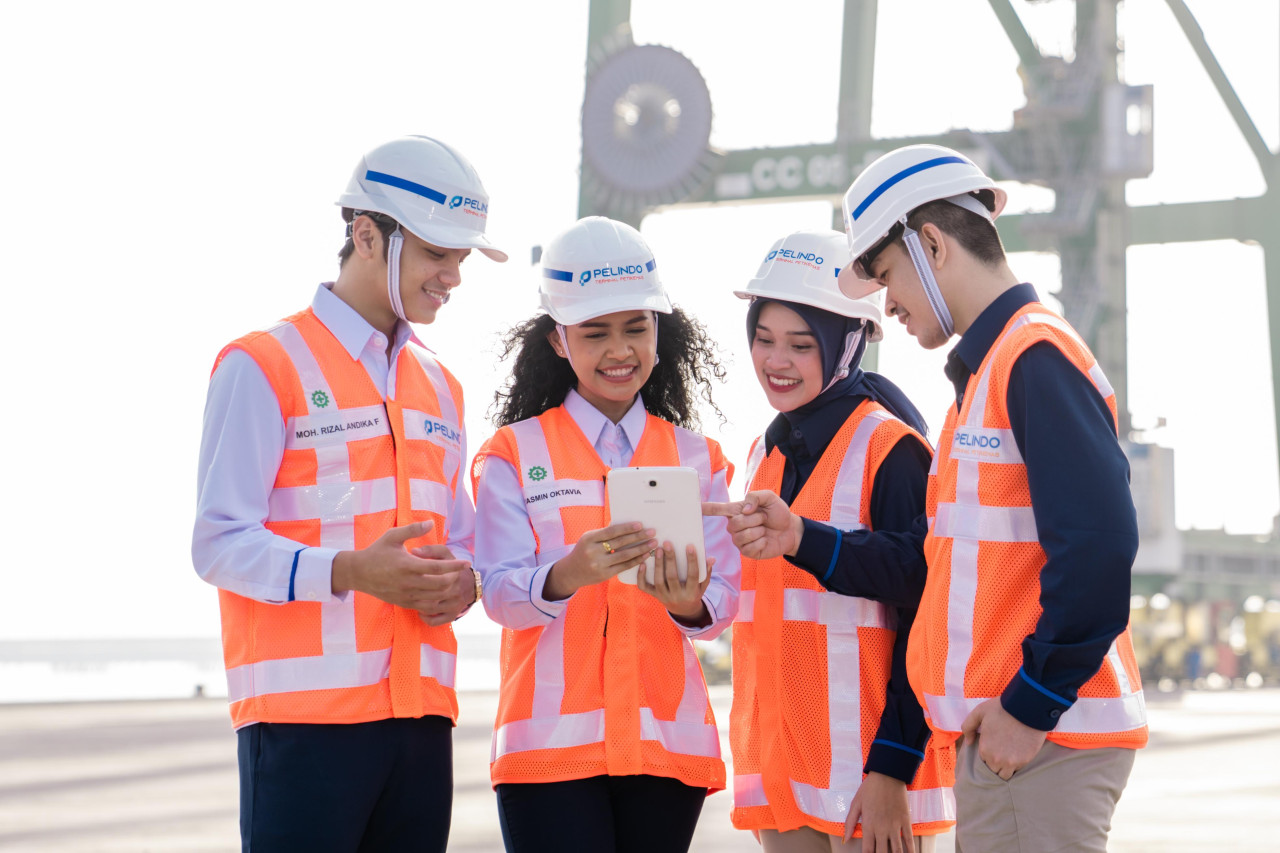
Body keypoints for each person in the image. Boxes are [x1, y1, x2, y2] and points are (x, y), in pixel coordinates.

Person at [709, 145, 1148, 853]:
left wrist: (1031, 704)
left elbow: (1100, 545)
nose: (889, 303)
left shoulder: (1029, 357)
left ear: (933, 244)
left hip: (1043, 732)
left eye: (885, 274)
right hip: (1014, 731)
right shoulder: (988, 377)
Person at [192, 135, 506, 852]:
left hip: (422, 719)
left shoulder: (440, 384)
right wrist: (349, 570)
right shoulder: (262, 363)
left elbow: (456, 540)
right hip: (303, 726)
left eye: (460, 259)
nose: (452, 276)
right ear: (367, 236)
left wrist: (464, 582)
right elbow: (216, 542)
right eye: (438, 254)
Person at [470, 216, 740, 853]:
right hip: (549, 753)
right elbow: (500, 594)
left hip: (663, 749)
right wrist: (567, 575)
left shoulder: (698, 458)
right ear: (560, 341)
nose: (620, 351)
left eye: (636, 329)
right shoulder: (513, 453)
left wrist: (689, 605)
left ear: (658, 330)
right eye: (595, 334)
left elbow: (726, 601)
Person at [719, 230, 952, 853]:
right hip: (783, 774)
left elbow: (926, 612)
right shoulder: (764, 454)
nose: (777, 361)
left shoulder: (893, 449)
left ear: (849, 344)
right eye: (763, 340)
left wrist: (892, 769)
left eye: (801, 344)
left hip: (870, 786)